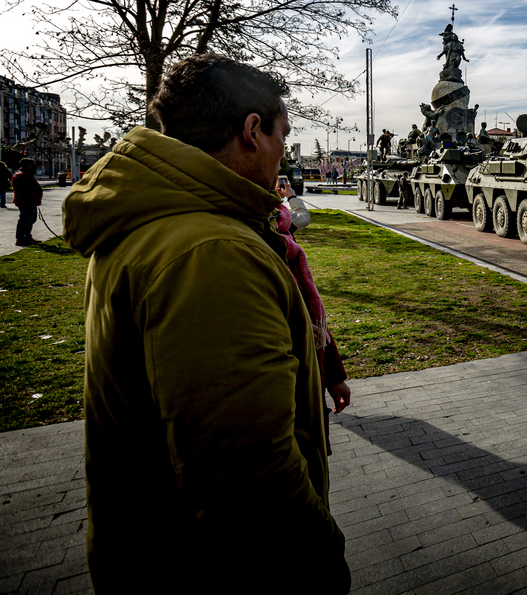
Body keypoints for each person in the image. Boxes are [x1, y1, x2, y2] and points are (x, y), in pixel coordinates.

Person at [61, 55, 350, 593]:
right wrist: (319, 565)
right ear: (252, 131)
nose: (283, 154)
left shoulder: (151, 221)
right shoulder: (212, 252)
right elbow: (247, 484)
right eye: (283, 136)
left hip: (153, 552)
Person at [275, 178, 352, 448]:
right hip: (286, 410)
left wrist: (334, 377)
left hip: (311, 394)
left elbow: (313, 317)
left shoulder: (283, 236)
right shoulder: (258, 243)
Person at [12, 158, 42, 246]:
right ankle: (21, 238)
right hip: (26, 202)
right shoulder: (20, 176)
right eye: (32, 164)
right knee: (25, 220)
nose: (34, 166)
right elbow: (25, 191)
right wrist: (35, 198)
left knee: (31, 220)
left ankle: (27, 236)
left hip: (31, 201)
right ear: (27, 165)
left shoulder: (27, 175)